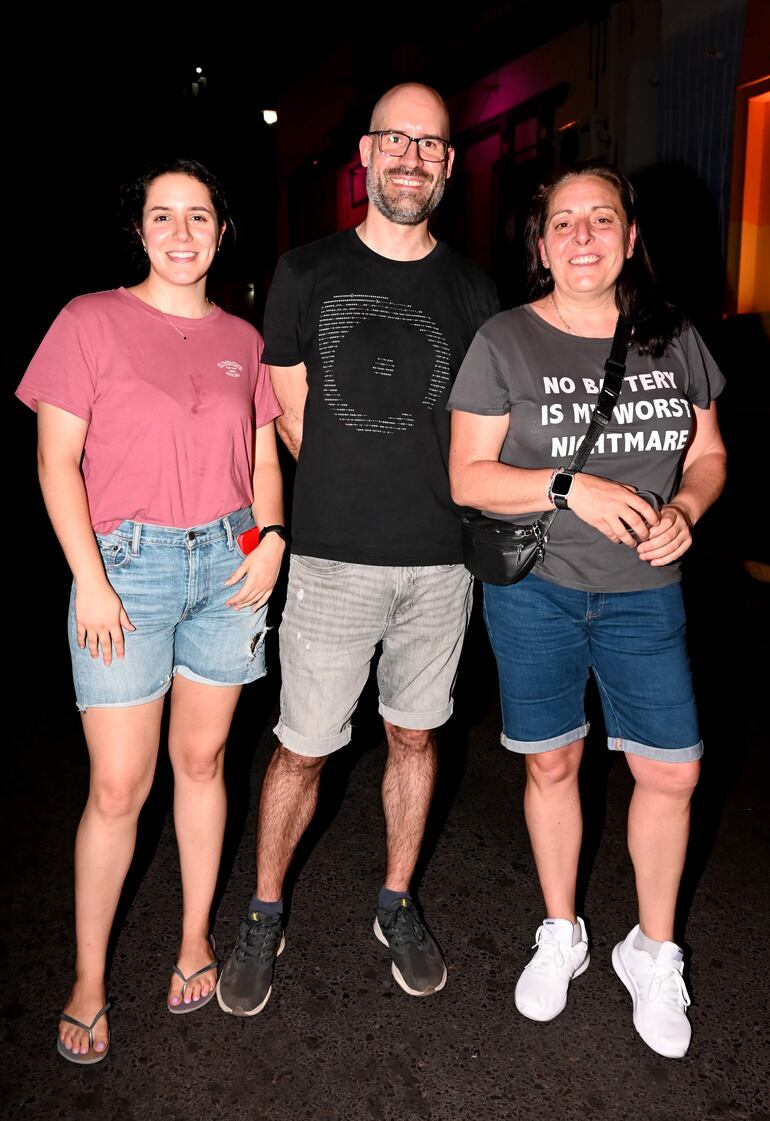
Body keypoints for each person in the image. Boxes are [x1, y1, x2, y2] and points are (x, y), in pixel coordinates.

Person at [216, 83, 499, 1017]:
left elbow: (476, 426)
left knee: (415, 735)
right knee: (301, 746)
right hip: (335, 557)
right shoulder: (305, 272)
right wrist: (351, 482)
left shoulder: (472, 287)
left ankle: (395, 900)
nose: (412, 157)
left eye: (431, 144)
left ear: (447, 166)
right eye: (396, 140)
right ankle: (263, 913)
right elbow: (291, 412)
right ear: (367, 157)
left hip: (442, 563)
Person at [448, 159, 726, 1059]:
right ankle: (562, 931)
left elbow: (710, 454)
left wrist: (686, 508)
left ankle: (653, 948)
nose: (581, 236)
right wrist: (572, 487)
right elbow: (469, 476)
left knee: (672, 771)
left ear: (629, 238)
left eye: (600, 219)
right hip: (538, 592)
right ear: (540, 245)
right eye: (563, 222)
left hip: (648, 593)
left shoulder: (672, 335)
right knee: (554, 763)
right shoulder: (503, 340)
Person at [16, 159, 285, 1063]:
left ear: (220, 230)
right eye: (162, 216)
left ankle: (195, 937)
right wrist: (89, 579)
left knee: (203, 763)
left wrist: (273, 538)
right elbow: (57, 461)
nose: (181, 232)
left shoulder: (243, 339)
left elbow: (262, 456)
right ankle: (89, 978)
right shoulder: (88, 320)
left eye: (198, 216)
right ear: (140, 230)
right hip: (124, 570)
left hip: (228, 564)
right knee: (118, 785)